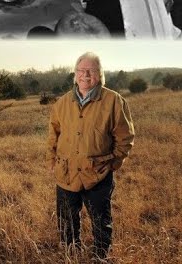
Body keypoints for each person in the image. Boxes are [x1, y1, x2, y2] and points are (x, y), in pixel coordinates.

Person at [48, 52, 134, 261]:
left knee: (101, 222)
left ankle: (99, 258)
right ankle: (71, 256)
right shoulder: (62, 103)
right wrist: (52, 162)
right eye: (81, 70)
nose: (86, 75)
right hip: (66, 174)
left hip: (98, 173)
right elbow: (53, 135)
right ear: (75, 74)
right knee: (66, 221)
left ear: (99, 74)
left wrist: (113, 162)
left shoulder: (114, 101)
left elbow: (125, 137)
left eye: (91, 71)